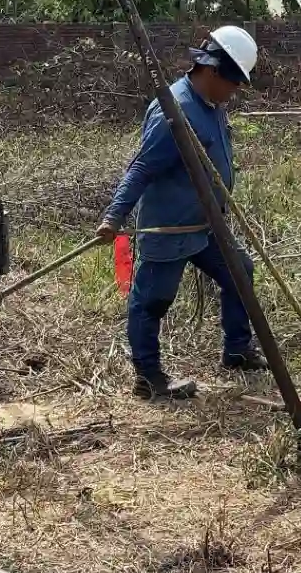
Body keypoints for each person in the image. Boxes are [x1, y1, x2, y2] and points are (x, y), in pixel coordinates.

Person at [97, 25, 267, 400]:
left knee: (241, 271)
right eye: (233, 82)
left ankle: (237, 350)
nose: (235, 92)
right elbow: (141, 167)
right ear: (211, 71)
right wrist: (114, 217)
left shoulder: (212, 104)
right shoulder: (174, 111)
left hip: (207, 227)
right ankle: (148, 378)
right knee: (152, 301)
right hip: (169, 229)